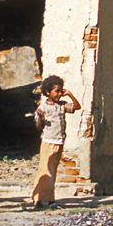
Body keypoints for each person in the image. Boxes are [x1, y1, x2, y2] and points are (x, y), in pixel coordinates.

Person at [30, 75, 80, 209]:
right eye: (56, 91)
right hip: (48, 141)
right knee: (45, 170)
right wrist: (39, 117)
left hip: (59, 141)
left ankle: (49, 199)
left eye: (60, 91)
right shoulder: (44, 107)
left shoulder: (61, 105)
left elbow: (77, 107)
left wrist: (70, 95)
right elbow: (38, 127)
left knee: (52, 171)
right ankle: (39, 200)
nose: (59, 94)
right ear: (48, 92)